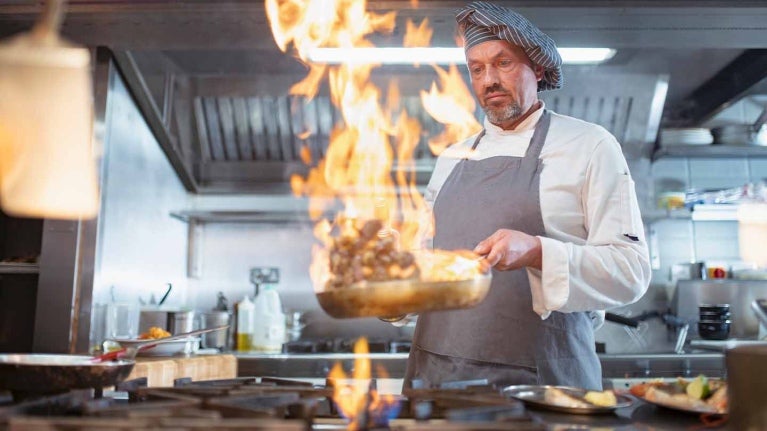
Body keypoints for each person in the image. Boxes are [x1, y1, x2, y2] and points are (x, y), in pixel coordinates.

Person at [403, 1, 651, 390]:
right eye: (477, 68)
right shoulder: (453, 157)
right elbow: (421, 270)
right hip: (439, 385)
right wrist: (392, 293)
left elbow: (630, 272)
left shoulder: (589, 146)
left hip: (542, 388)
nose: (489, 81)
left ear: (537, 68)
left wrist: (538, 251)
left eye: (503, 63)